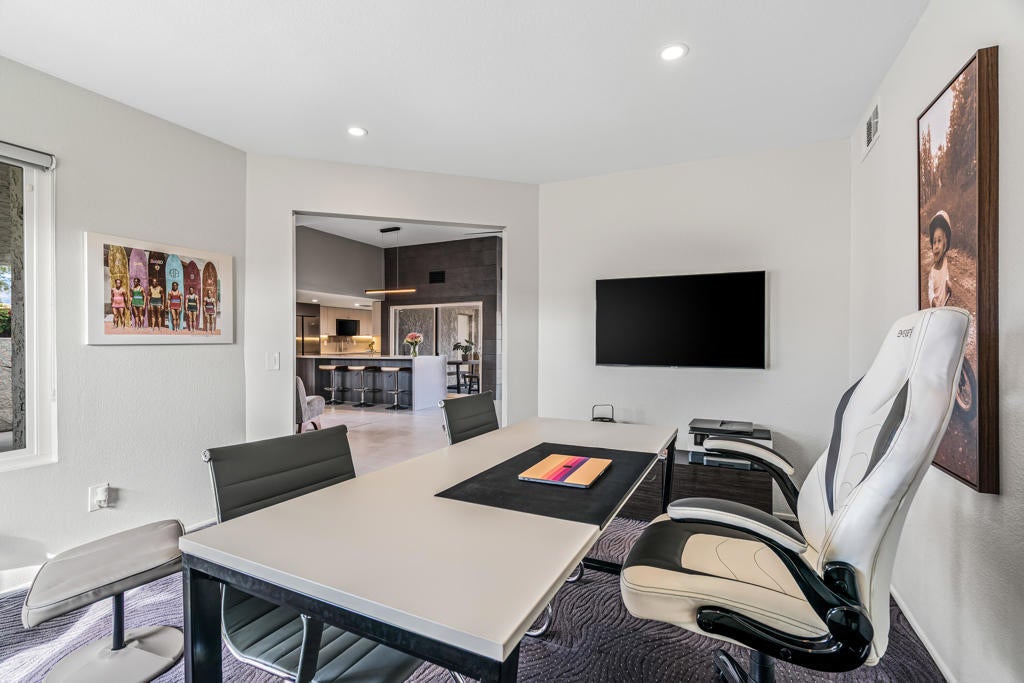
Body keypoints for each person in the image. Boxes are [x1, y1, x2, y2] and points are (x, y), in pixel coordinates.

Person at [927, 210, 953, 308]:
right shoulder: (933, 272)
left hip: (944, 305)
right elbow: (930, 291)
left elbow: (946, 274)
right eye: (934, 242)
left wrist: (948, 282)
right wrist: (933, 301)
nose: (936, 246)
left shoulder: (945, 261)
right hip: (935, 310)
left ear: (945, 243)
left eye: (939, 241)